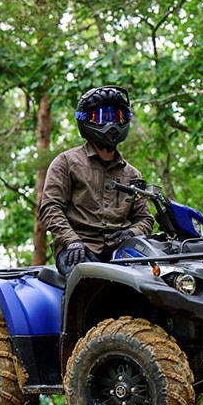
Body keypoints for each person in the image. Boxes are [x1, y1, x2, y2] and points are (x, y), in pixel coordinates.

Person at [39, 85, 154, 276]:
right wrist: (71, 240)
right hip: (76, 247)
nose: (112, 124)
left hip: (121, 250)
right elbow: (50, 207)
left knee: (155, 282)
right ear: (86, 121)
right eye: (102, 117)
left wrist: (131, 233)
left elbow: (145, 218)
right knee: (87, 282)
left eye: (117, 117)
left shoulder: (132, 175)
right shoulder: (67, 162)